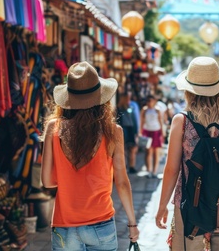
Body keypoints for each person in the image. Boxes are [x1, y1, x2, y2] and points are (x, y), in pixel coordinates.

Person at [155, 57, 219, 250]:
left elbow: (172, 170)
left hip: (190, 209)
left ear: (189, 91)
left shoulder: (181, 122)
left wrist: (162, 206)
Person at [41, 62, 139, 250]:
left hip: (65, 226)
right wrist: (132, 224)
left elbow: (47, 182)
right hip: (101, 224)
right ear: (101, 97)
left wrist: (68, 178)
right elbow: (122, 183)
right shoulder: (113, 132)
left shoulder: (54, 128)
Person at [140, 95, 164, 178]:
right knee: (148, 152)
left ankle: (154, 172)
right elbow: (142, 121)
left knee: (156, 153)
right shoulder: (144, 110)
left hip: (156, 131)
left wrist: (162, 133)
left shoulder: (157, 110)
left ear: (154, 101)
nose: (149, 102)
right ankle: (149, 171)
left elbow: (161, 121)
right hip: (147, 132)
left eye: (151, 100)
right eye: (148, 101)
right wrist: (140, 133)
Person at [117, 94, 139, 174]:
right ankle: (125, 166)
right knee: (124, 149)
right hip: (123, 129)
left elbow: (134, 120)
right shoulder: (119, 109)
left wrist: (136, 131)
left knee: (132, 148)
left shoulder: (131, 108)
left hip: (130, 129)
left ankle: (131, 166)